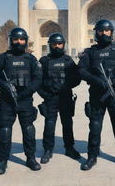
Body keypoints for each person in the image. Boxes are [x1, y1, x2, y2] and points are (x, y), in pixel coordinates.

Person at [78, 19, 115, 171]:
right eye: (101, 31)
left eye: (107, 31)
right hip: (97, 94)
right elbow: (81, 70)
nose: (104, 33)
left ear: (111, 32)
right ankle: (92, 157)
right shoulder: (90, 52)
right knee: (95, 126)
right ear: (96, 32)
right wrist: (96, 80)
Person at [0, 27, 42, 175]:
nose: (19, 42)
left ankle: (30, 158)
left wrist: (27, 92)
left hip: (25, 101)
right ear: (11, 40)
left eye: (22, 39)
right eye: (16, 39)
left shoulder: (30, 59)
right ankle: (2, 161)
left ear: (26, 41)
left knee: (29, 131)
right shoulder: (3, 58)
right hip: (7, 101)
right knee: (5, 131)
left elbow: (38, 78)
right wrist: (3, 85)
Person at [38, 32, 81, 164]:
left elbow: (77, 79)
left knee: (67, 124)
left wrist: (66, 86)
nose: (57, 46)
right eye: (54, 44)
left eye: (60, 44)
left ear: (64, 45)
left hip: (65, 98)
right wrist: (45, 94)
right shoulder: (44, 61)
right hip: (50, 98)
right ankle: (48, 150)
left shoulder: (68, 61)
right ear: (50, 45)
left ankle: (69, 148)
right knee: (49, 125)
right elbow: (37, 81)